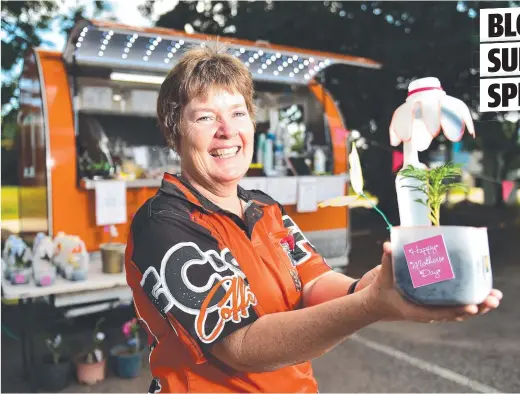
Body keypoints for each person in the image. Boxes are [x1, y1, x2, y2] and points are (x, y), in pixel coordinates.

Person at [125, 44, 502, 393]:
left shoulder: (265, 208)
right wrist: (371, 305)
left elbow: (315, 281)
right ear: (175, 133)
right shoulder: (163, 224)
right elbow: (239, 345)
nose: (227, 131)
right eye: (206, 117)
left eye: (238, 113)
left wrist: (382, 283)